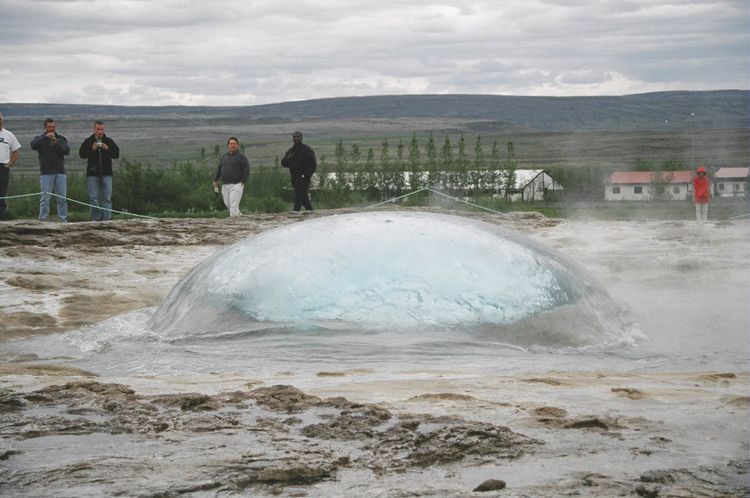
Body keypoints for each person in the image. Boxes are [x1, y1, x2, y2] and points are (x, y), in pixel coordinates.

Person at [79, 120, 120, 221]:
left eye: (102, 129)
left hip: (107, 173)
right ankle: (95, 219)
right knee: (94, 198)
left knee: (107, 197)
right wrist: (92, 149)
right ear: (94, 129)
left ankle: (107, 219)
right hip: (93, 174)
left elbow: (116, 154)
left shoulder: (109, 141)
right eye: (98, 129)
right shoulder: (88, 141)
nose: (100, 131)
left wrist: (107, 149)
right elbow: (82, 155)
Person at [30, 118, 70, 222]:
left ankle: (63, 220)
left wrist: (56, 143)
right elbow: (33, 145)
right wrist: (45, 137)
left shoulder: (61, 139)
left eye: (53, 127)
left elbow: (66, 151)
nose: (51, 129)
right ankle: (43, 219)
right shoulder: (40, 139)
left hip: (60, 172)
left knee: (62, 199)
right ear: (45, 127)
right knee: (45, 199)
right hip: (46, 173)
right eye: (49, 127)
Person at [212, 136, 249, 217]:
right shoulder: (225, 156)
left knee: (233, 204)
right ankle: (240, 217)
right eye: (231, 143)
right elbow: (219, 168)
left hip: (236, 184)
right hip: (225, 184)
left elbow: (246, 169)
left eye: (235, 144)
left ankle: (233, 223)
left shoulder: (242, 157)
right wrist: (215, 180)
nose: (233, 145)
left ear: (237, 145)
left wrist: (242, 182)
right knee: (228, 204)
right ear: (228, 145)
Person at [281, 131, 316, 211]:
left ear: (301, 138)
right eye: (294, 137)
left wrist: (305, 175)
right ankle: (310, 211)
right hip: (294, 177)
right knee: (304, 198)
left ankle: (295, 212)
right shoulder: (291, 151)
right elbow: (283, 163)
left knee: (298, 196)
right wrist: (289, 158)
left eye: (297, 136)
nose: (296, 138)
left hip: (304, 178)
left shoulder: (307, 150)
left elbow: (313, 165)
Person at [0, 113, 22, 220]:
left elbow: (16, 151)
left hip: (3, 167)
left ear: (2, 120)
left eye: (0, 119)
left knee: (2, 192)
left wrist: (10, 164)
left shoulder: (8, 135)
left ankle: (2, 217)